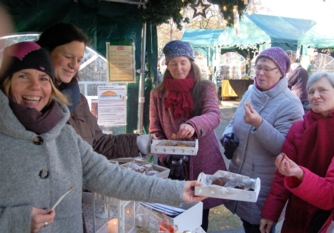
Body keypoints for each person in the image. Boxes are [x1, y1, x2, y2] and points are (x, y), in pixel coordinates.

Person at [0, 41, 206, 233]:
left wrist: (177, 190)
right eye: (23, 76)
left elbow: (109, 175)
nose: (35, 86)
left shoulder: (64, 135)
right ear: (6, 83)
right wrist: (15, 220)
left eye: (43, 78)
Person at [36, 23, 151, 160]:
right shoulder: (30, 99)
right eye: (68, 57)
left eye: (79, 60)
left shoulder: (78, 99)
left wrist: (138, 143)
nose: (74, 65)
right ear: (45, 53)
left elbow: (97, 143)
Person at [221, 47, 304, 233]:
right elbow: (234, 121)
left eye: (267, 68)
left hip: (264, 185)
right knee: (246, 224)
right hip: (241, 176)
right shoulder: (251, 92)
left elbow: (285, 148)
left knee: (259, 227)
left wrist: (259, 124)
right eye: (258, 67)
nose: (260, 73)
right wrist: (227, 135)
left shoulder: (290, 103)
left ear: (281, 72)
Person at [149, 40, 227, 231]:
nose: (179, 68)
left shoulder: (205, 87)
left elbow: (213, 115)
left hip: (202, 162)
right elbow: (154, 129)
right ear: (166, 65)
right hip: (173, 167)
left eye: (183, 62)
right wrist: (165, 154)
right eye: (173, 63)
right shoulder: (157, 94)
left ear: (191, 62)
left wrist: (194, 124)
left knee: (200, 216)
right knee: (173, 217)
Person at [260, 72, 334, 233]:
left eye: (322, 90)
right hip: (300, 212)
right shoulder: (299, 128)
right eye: (312, 92)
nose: (316, 96)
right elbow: (282, 176)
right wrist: (270, 214)